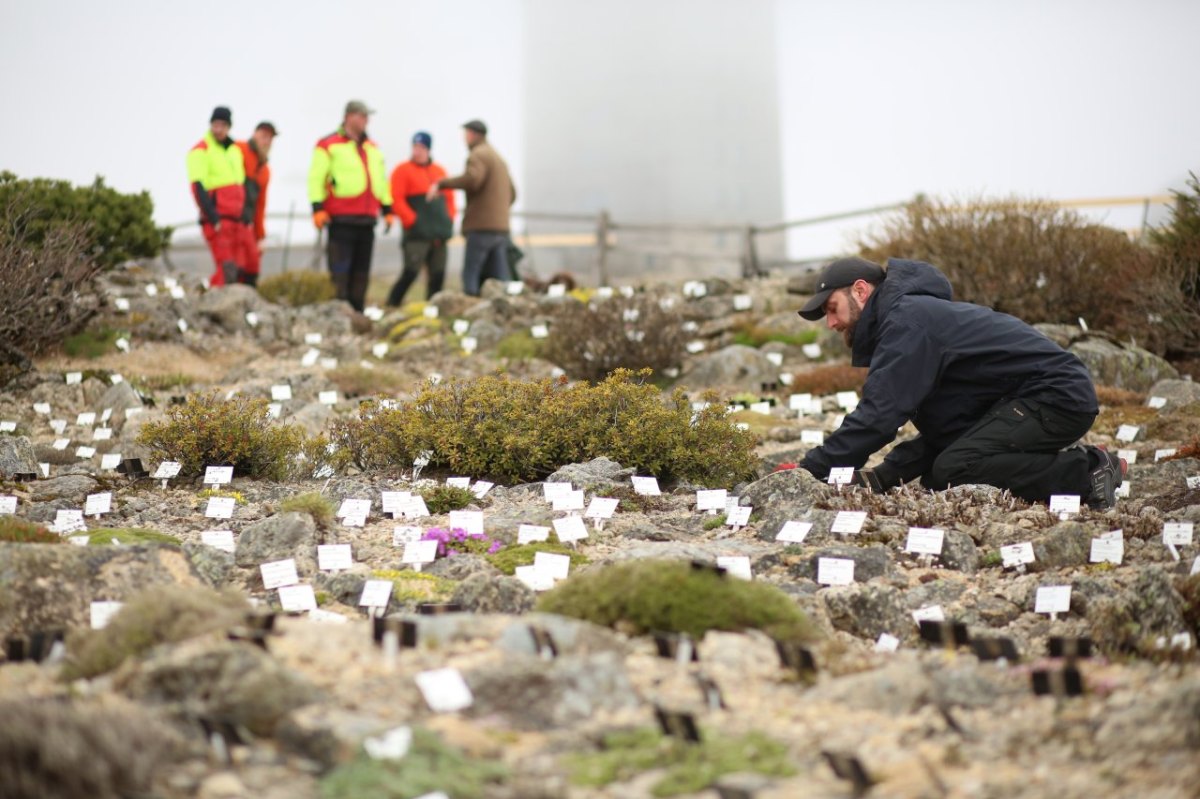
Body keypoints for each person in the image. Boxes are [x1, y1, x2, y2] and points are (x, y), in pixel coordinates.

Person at [795, 257, 1125, 509]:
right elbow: (951, 427)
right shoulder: (909, 318)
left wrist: (808, 472)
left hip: (1056, 396)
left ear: (861, 290)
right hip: (1032, 398)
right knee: (945, 470)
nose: (831, 323)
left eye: (832, 309)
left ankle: (1090, 471)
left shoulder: (907, 323)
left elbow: (880, 415)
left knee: (956, 469)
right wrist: (881, 477)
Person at [308, 100, 397, 312]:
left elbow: (380, 180)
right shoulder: (328, 144)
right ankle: (339, 312)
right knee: (340, 271)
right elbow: (315, 178)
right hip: (341, 219)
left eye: (367, 116)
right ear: (349, 116)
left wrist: (387, 209)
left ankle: (357, 313)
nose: (366, 120)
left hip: (367, 219)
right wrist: (317, 208)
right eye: (362, 116)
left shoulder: (372, 148)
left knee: (361, 272)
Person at [427, 119, 516, 296]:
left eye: (465, 134)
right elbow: (513, 193)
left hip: (481, 226)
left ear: (473, 134)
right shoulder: (499, 159)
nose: (464, 138)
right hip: (501, 228)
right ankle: (508, 308)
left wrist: (442, 184)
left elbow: (473, 180)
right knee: (501, 277)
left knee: (471, 273)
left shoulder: (478, 155)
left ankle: (470, 309)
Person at [386, 131, 457, 306]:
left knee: (438, 274)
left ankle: (432, 310)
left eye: (422, 147)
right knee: (410, 272)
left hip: (439, 234)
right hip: (416, 235)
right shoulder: (402, 171)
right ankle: (392, 304)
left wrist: (449, 219)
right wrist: (413, 221)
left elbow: (450, 199)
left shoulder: (439, 171)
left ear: (428, 149)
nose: (417, 151)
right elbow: (396, 199)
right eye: (415, 147)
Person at [187, 106, 246, 287]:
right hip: (217, 220)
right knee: (226, 266)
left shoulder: (235, 150)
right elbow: (198, 187)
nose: (218, 129)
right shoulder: (201, 150)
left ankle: (229, 306)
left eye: (222, 125)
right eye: (215, 125)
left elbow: (240, 183)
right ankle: (214, 304)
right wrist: (213, 217)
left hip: (236, 220)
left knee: (240, 267)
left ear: (229, 127)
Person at [233, 121, 277, 287]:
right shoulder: (238, 149)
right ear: (255, 134)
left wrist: (260, 236)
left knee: (252, 263)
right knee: (235, 264)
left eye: (270, 139)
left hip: (247, 223)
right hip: (231, 218)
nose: (266, 141)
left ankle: (247, 301)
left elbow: (260, 205)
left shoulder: (265, 170)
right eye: (264, 136)